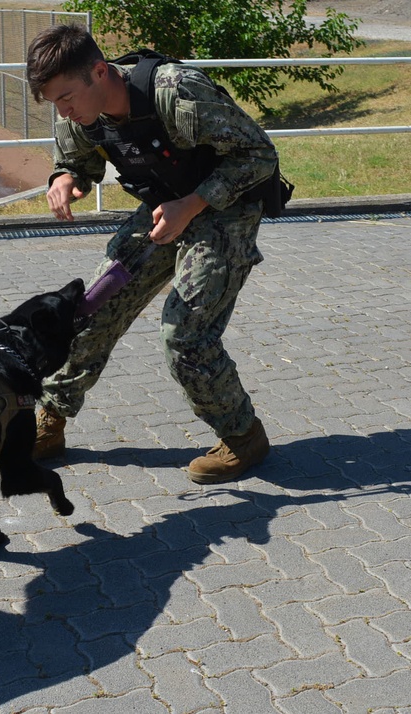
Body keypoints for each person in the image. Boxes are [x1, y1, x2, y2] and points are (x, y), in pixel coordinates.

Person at [25, 24, 276, 484]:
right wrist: (65, 180)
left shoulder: (176, 93)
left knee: (185, 335)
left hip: (225, 210)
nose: (62, 111)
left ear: (100, 72)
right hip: (164, 205)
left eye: (66, 98)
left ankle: (244, 438)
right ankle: (51, 418)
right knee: (91, 309)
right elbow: (79, 164)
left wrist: (192, 205)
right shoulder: (77, 112)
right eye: (53, 102)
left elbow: (258, 156)